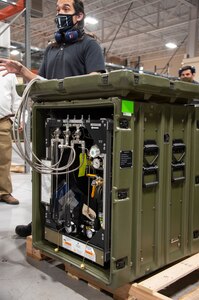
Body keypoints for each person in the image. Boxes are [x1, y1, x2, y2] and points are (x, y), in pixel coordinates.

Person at [0, 0, 105, 236]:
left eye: (66, 9)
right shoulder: (51, 48)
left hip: (82, 125)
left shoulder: (90, 46)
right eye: (57, 9)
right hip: (53, 124)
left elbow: (95, 80)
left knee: (79, 178)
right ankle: (42, 220)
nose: (60, 13)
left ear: (79, 16)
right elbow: (41, 83)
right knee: (48, 177)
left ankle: (80, 222)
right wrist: (22, 71)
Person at [0, 71, 22, 205]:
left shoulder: (9, 75)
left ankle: (4, 192)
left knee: (4, 159)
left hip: (2, 121)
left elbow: (17, 98)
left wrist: (18, 119)